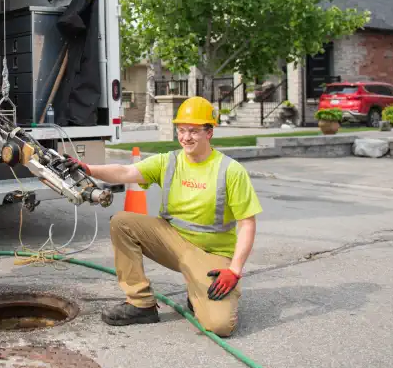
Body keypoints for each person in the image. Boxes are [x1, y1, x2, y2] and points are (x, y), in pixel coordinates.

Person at [71, 96, 261, 337]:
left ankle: (197, 291)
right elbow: (126, 171)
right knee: (122, 222)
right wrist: (87, 168)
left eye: (193, 131)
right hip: (171, 240)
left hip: (211, 253)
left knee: (220, 326)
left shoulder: (230, 171)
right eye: (181, 130)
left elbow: (247, 224)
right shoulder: (169, 162)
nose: (185, 137)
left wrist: (234, 270)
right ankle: (141, 304)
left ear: (209, 132)